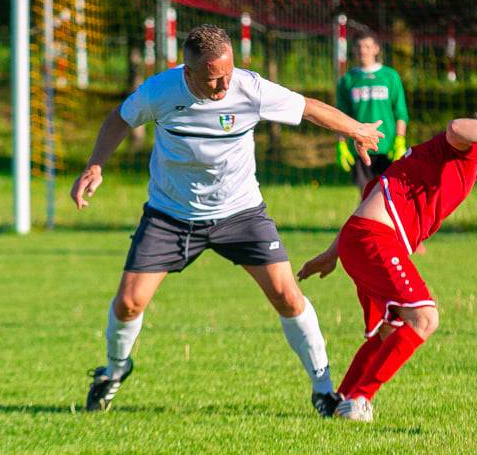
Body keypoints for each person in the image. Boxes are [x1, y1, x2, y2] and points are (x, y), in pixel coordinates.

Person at [71, 24, 384, 415]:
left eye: (228, 73)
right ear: (188, 73)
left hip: (240, 213)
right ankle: (114, 371)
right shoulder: (161, 91)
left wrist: (355, 129)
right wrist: (95, 166)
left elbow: (307, 107)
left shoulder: (249, 88)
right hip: (171, 214)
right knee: (129, 303)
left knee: (287, 295)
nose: (222, 86)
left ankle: (323, 390)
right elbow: (119, 118)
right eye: (212, 78)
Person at [298, 104, 477, 421]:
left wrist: (331, 254)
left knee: (391, 329)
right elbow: (456, 125)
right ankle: (360, 401)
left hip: (362, 238)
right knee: (425, 318)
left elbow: (373, 201)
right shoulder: (472, 149)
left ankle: (339, 400)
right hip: (374, 239)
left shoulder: (457, 160)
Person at [335, 30, 409, 193]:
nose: (363, 51)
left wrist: (400, 140)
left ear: (376, 49)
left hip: (387, 147)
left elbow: (400, 112)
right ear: (354, 49)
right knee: (366, 195)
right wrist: (341, 143)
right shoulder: (347, 80)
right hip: (359, 146)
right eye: (359, 47)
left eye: (367, 46)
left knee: (392, 194)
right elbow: (339, 116)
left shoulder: (390, 76)